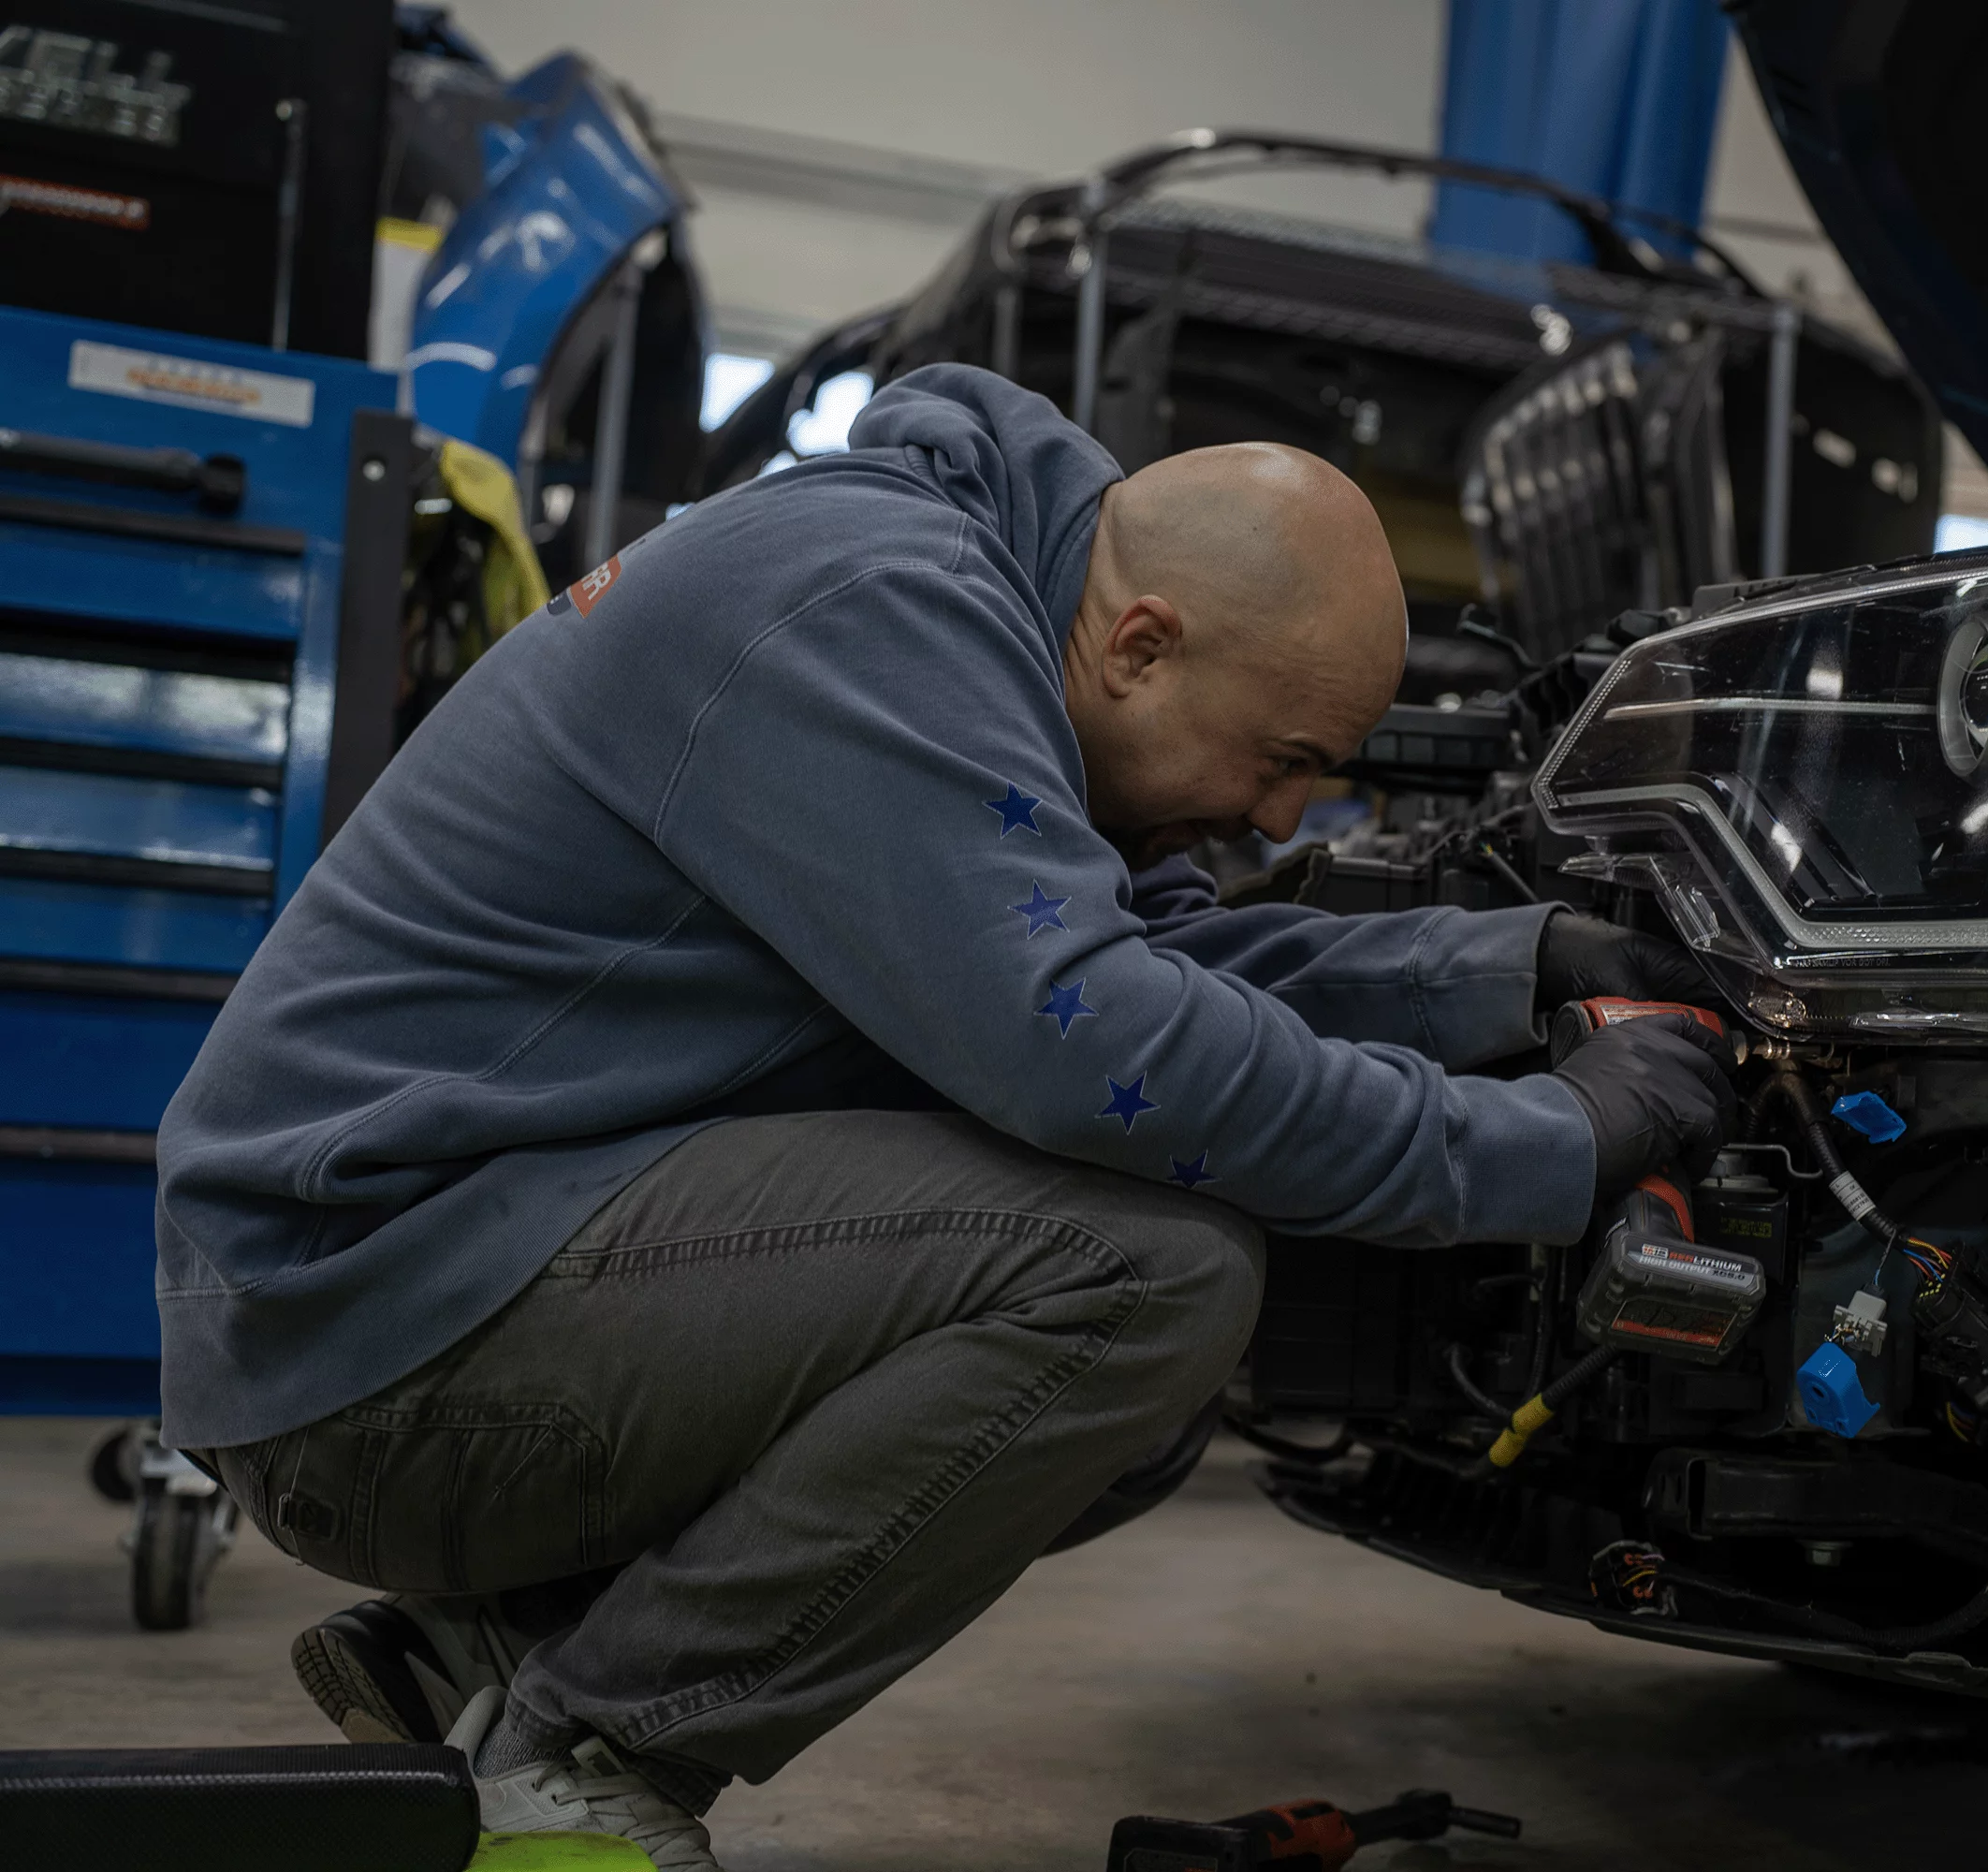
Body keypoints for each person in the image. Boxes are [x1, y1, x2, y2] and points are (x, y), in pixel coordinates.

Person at [155, 366, 1734, 1868]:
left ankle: (476, 1657)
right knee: (1144, 1278)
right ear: (1139, 645)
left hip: (445, 1275)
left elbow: (1150, 960)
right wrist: (1555, 1150)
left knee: (1145, 1386)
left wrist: (1508, 971)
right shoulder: (868, 612)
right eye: (1287, 764)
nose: (1279, 820)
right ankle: (582, 1763)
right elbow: (1104, 1050)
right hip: (365, 1336)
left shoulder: (980, 609)